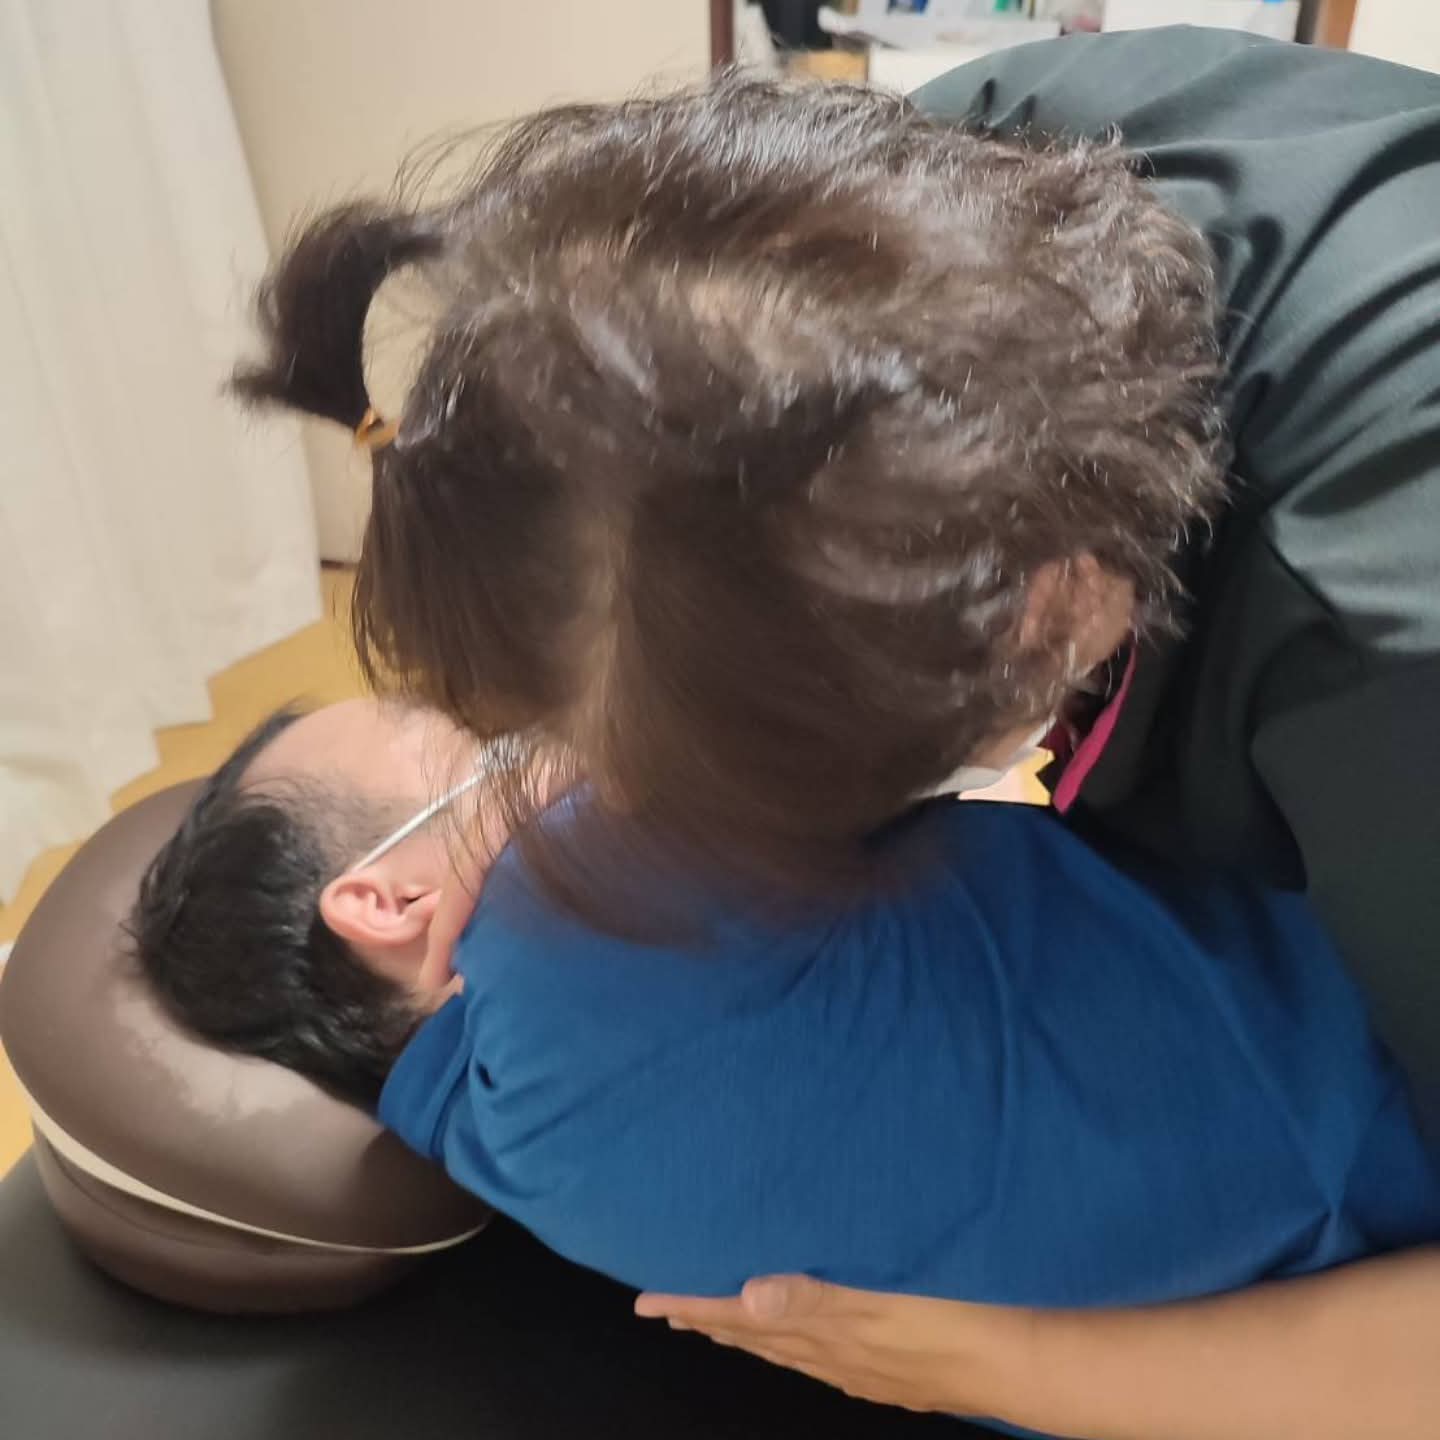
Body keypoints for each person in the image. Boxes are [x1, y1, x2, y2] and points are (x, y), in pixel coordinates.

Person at [226, 28, 1440, 1435]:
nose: (591, 796)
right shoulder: (907, 206)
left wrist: (1002, 1366)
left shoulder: (1382, 679)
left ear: (1024, 625)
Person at [131, 700, 1439, 1440]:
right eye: (448, 737)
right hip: (1366, 1008)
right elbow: (884, 626)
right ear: (385, 900)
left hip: (1323, 1246)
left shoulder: (517, 1154)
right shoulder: (562, 916)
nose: (501, 726)